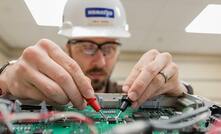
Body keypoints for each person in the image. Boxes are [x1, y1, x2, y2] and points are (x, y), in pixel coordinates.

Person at [0, 0, 191, 110]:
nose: (100, 61)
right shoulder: (36, 88)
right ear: (68, 49)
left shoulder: (127, 92)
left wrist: (180, 89)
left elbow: (190, 103)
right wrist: (5, 78)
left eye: (109, 49)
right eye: (87, 47)